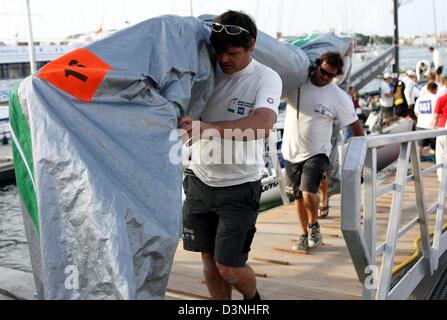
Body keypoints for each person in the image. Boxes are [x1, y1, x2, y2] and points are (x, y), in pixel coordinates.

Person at [178, 10, 282, 300]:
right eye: (219, 52)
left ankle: (253, 301)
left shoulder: (266, 78)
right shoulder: (206, 70)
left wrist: (208, 128)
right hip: (198, 181)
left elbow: (263, 124)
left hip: (239, 187)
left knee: (229, 268)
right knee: (209, 265)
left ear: (252, 45)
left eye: (233, 52)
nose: (224, 59)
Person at [282, 51, 364, 252]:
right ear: (317, 65)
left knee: (308, 190)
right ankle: (304, 234)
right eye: (323, 72)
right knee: (297, 197)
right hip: (291, 151)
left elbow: (356, 128)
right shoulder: (297, 83)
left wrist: (359, 159)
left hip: (317, 152)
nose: (325, 78)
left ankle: (314, 224)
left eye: (331, 75)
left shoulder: (338, 96)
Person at [414, 82, 438, 158]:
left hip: (420, 124)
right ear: (434, 89)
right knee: (435, 147)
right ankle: (436, 163)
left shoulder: (419, 98)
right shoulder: (436, 98)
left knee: (420, 146)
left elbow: (416, 113)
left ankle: (417, 161)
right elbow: (437, 113)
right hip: (432, 126)